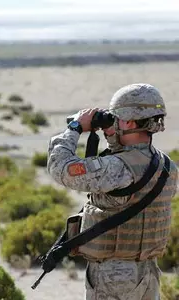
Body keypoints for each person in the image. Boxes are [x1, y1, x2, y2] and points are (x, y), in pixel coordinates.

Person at [47, 83, 178, 300]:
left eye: (114, 118)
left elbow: (60, 168)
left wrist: (74, 128)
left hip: (114, 277)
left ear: (128, 121)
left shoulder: (118, 167)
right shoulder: (167, 166)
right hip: (148, 273)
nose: (111, 125)